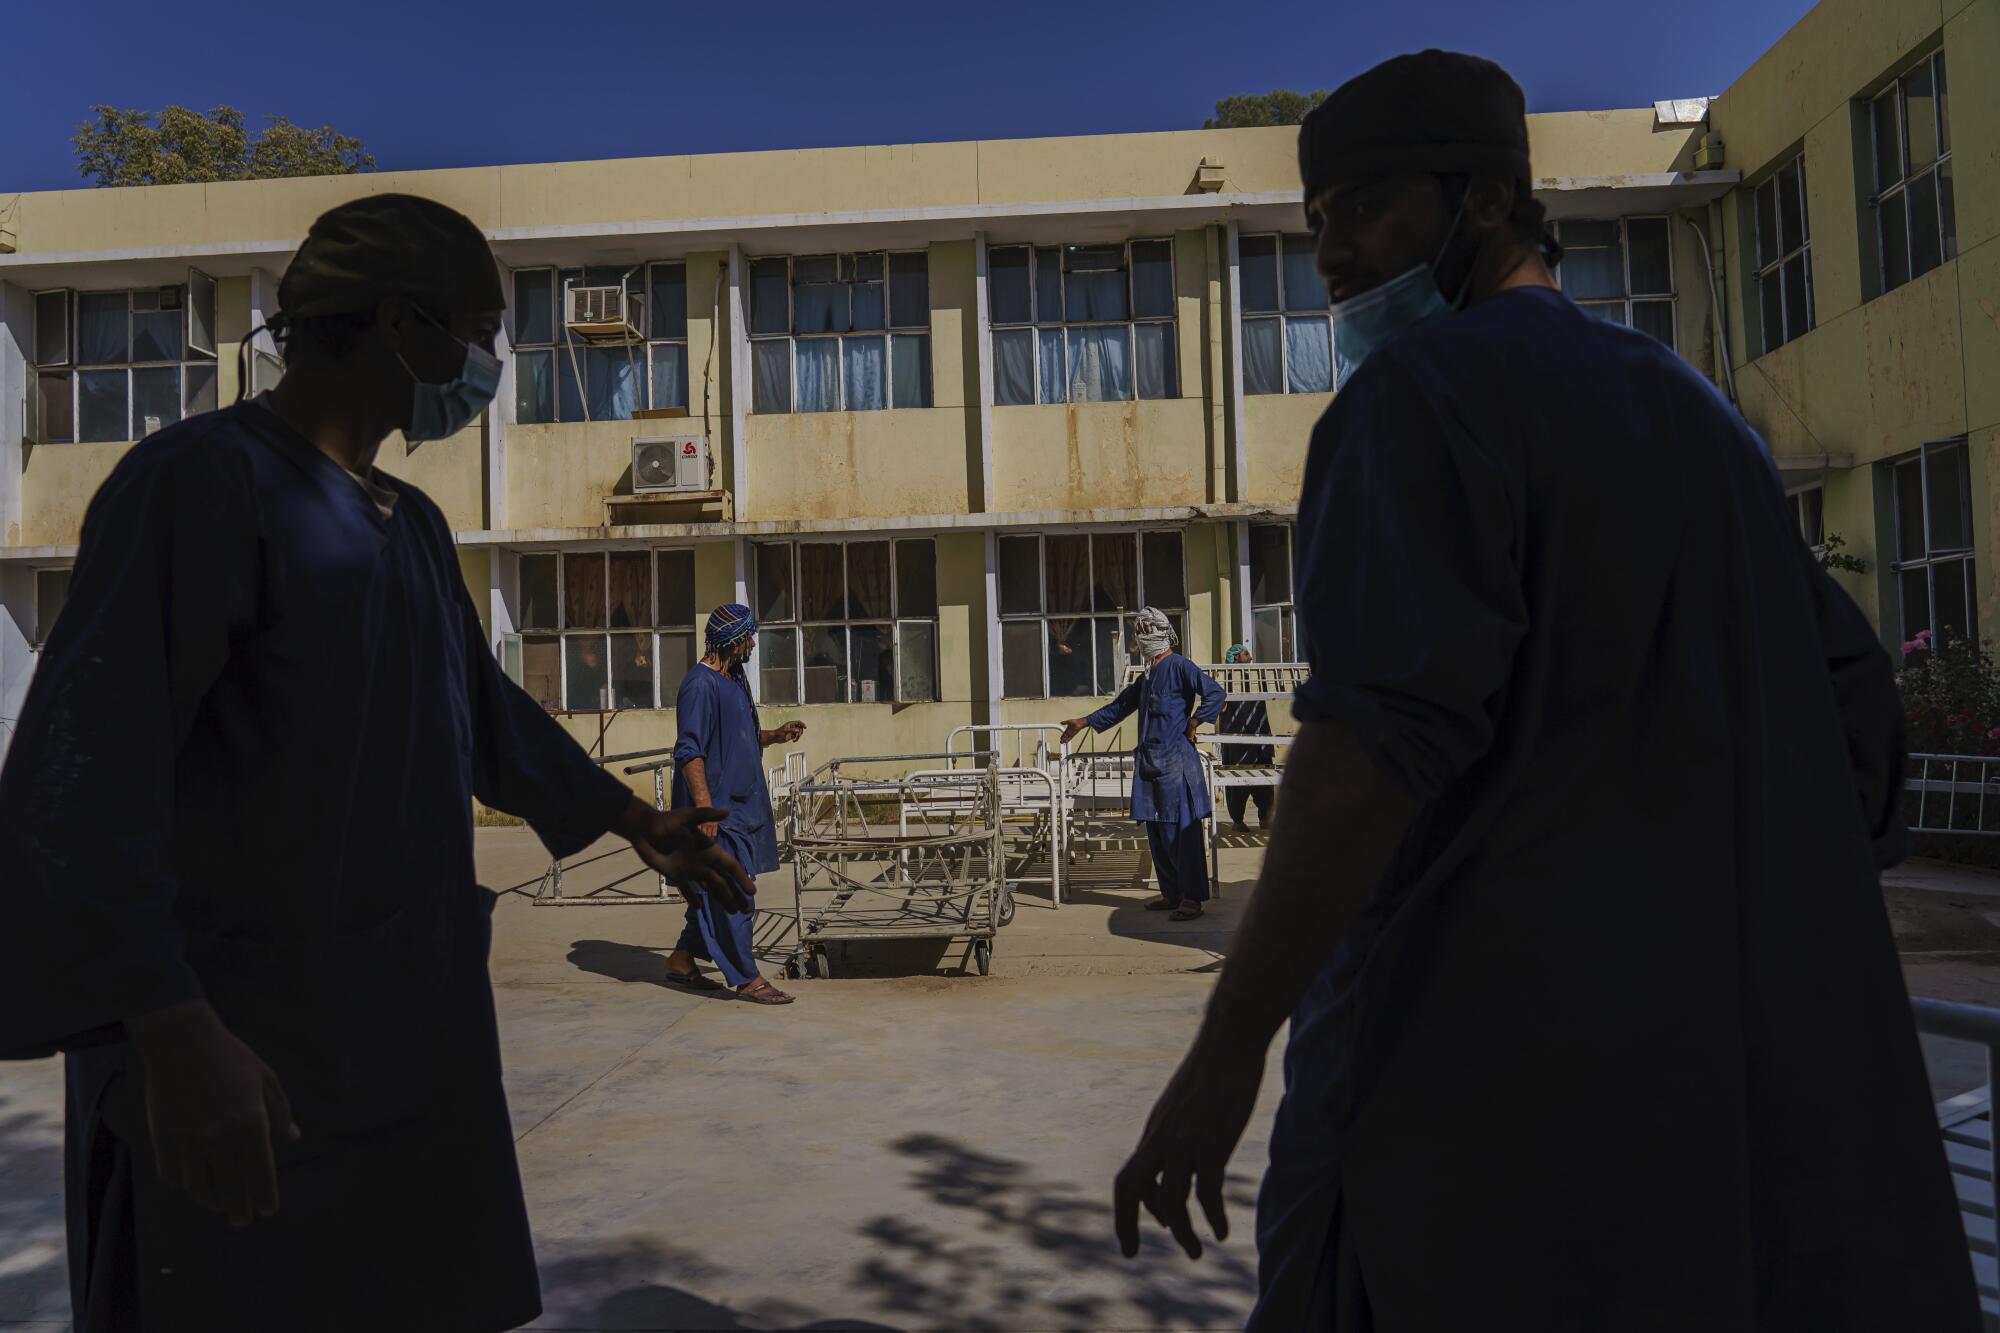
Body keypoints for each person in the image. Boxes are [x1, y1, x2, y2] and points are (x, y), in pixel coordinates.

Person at [1111, 51, 1979, 1331]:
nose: (1332, 254)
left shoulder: (1416, 399)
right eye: (1314, 224)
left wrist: (1226, 1042)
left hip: (1471, 1089)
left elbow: (1366, 751)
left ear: (1484, 200)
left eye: (1365, 207)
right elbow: (1855, 724)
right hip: (1707, 1095)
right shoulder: (1703, 424)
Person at [0, 194, 755, 1333]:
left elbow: (481, 711)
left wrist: (632, 819)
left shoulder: (407, 523)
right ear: (400, 324)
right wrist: (167, 1024)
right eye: (480, 330)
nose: (491, 362)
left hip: (399, 1046)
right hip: (240, 1063)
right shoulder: (200, 487)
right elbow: (78, 780)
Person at [663, 604, 807, 1004]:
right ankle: (746, 977)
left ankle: (681, 959)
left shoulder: (734, 679)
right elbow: (690, 751)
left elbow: (736, 735)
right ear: (732, 640)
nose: (753, 644)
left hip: (742, 807)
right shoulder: (700, 685)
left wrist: (774, 736)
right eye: (748, 637)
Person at [1062, 608, 1225, 921]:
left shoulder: (1180, 666)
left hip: (1176, 763)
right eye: (1140, 631)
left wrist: (1195, 722)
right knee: (1158, 831)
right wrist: (1084, 722)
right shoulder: (1147, 676)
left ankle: (1191, 897)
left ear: (1161, 633)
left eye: (1147, 630)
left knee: (1182, 833)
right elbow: (1122, 706)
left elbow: (1215, 694)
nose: (1142, 636)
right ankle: (1172, 893)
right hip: (1150, 764)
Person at [1217, 643, 1276, 831]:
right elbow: (1221, 708)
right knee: (1237, 783)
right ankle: (1238, 820)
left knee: (1265, 781)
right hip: (1238, 745)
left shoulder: (1256, 676)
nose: (1250, 658)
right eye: (1246, 654)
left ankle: (1265, 818)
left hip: (1260, 740)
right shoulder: (1227, 679)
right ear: (1235, 658)